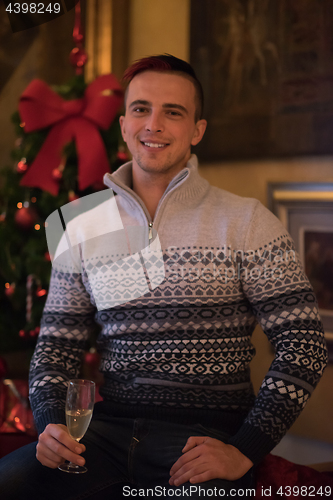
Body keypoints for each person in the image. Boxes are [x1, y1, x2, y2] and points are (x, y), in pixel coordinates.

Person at [0, 54, 328, 499]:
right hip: (104, 432)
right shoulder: (80, 225)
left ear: (197, 130)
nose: (153, 124)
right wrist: (51, 425)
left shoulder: (247, 221)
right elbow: (56, 348)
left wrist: (244, 450)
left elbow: (303, 345)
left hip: (204, 440)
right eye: (141, 109)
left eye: (172, 112)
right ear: (122, 124)